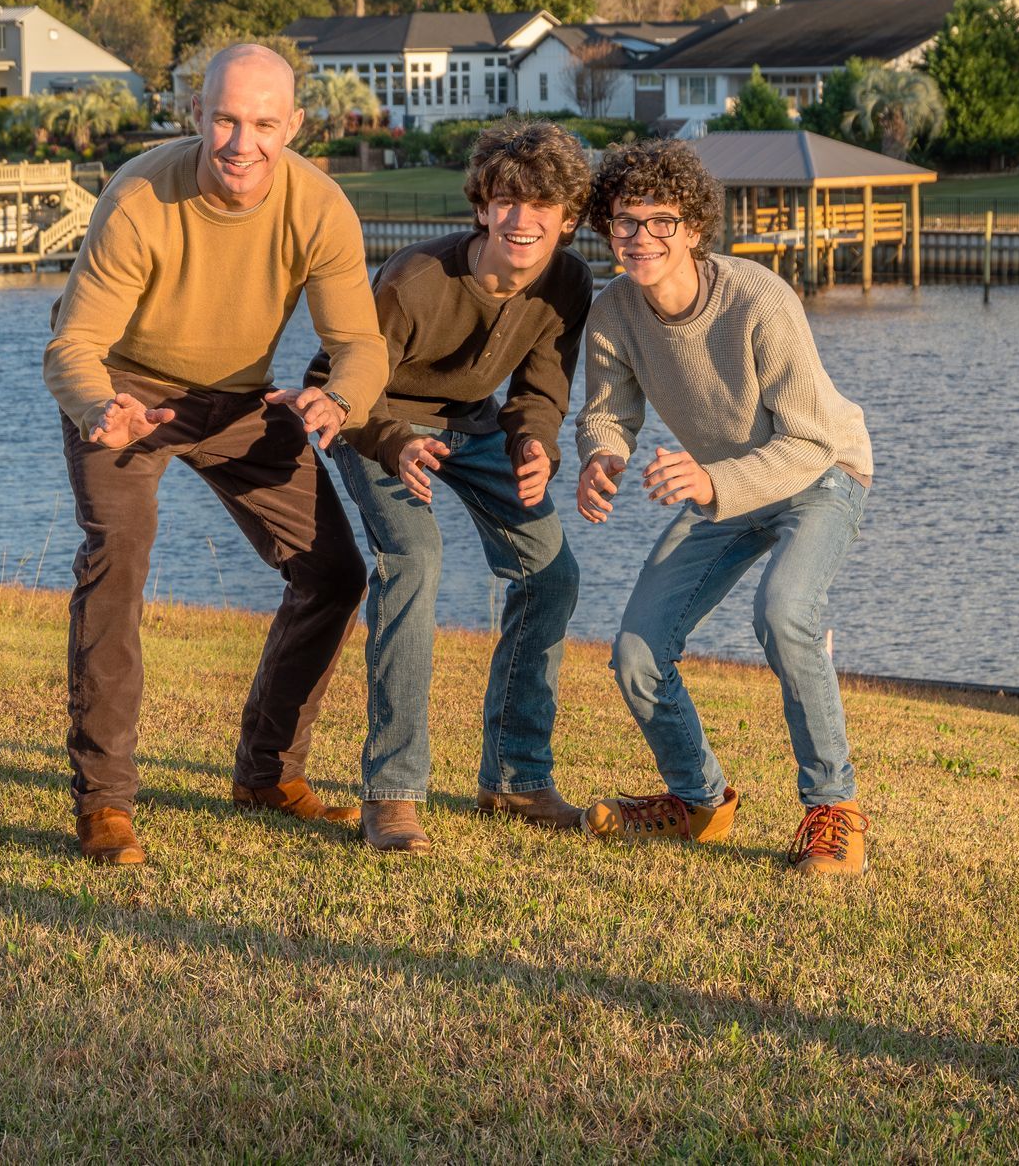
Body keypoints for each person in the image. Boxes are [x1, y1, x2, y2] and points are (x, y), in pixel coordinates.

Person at [44, 43, 389, 866]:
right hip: (126, 391)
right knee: (118, 558)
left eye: (264, 124)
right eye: (226, 120)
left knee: (334, 573)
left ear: (294, 126)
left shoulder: (319, 206)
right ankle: (104, 805)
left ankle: (268, 773)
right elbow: (73, 349)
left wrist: (338, 400)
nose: (243, 143)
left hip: (240, 399)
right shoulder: (139, 195)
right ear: (196, 115)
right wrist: (101, 409)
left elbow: (360, 346)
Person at [572, 139, 875, 877]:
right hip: (728, 485)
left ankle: (834, 810)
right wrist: (600, 458)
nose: (641, 238)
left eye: (660, 221)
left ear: (696, 228)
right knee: (638, 651)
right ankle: (700, 802)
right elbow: (609, 413)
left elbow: (808, 440)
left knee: (784, 613)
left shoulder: (759, 299)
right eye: (623, 222)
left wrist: (711, 483)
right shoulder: (612, 312)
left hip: (821, 472)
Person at [312, 119, 593, 855]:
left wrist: (536, 445)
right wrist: (396, 443)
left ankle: (516, 777)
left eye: (542, 206)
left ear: (568, 218)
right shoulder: (415, 281)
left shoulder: (569, 279)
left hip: (476, 427)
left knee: (552, 576)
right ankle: (393, 793)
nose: (521, 220)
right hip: (377, 422)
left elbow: (540, 388)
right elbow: (335, 382)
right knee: (416, 563)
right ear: (481, 206)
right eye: (507, 200)